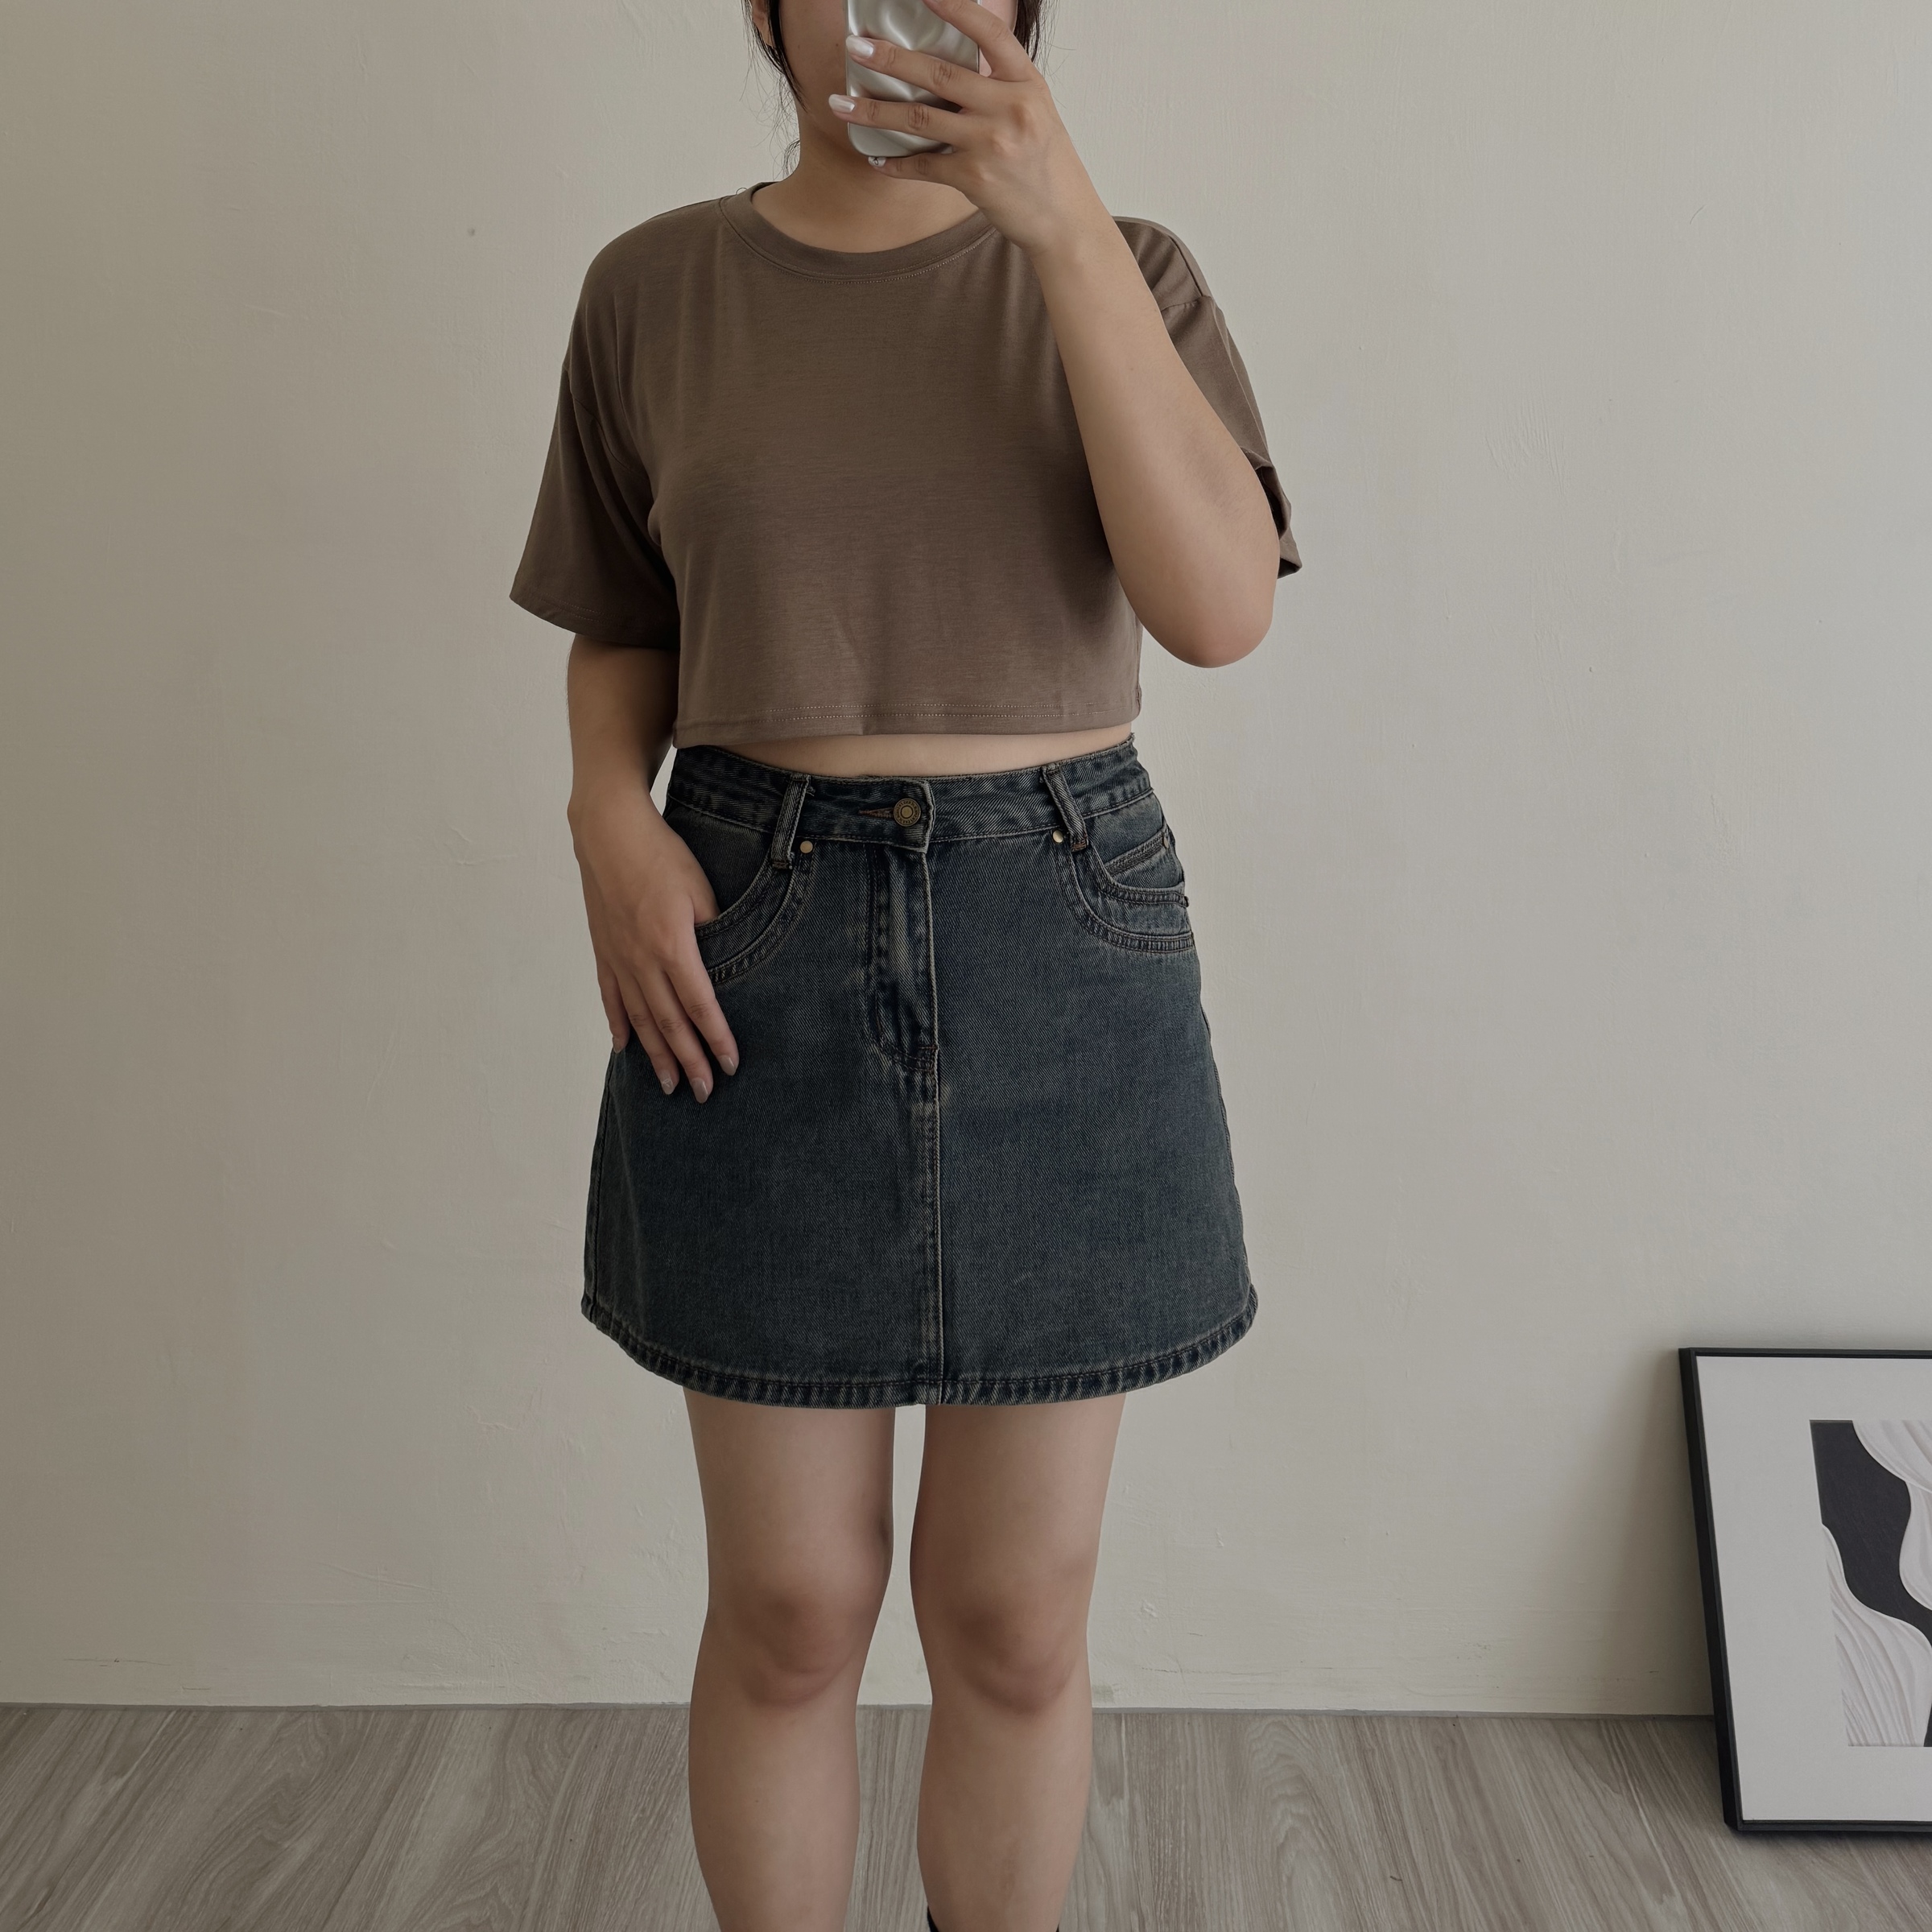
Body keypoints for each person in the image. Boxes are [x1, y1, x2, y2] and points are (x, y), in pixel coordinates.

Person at [509, 2, 1301, 1925]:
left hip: (1063, 923)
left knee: (1015, 1615)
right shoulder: (653, 290)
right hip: (748, 930)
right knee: (792, 1606)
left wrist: (1059, 222)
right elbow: (621, 618)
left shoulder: (1132, 271)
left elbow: (1218, 610)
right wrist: (608, 811)